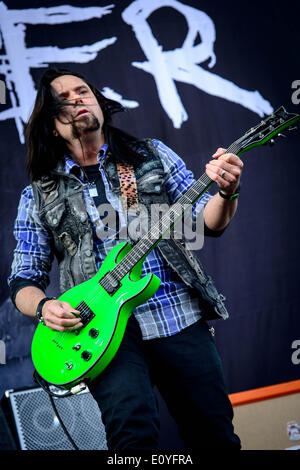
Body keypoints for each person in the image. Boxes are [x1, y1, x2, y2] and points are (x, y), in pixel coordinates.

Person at [8, 68, 243, 450]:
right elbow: (22, 279)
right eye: (63, 100)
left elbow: (205, 221)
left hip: (176, 316)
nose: (77, 100)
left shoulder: (151, 155)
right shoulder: (38, 195)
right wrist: (44, 307)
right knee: (131, 441)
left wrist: (227, 192)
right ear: (52, 126)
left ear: (99, 102)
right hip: (101, 335)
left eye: (83, 91)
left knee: (214, 435)